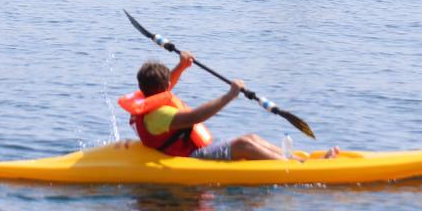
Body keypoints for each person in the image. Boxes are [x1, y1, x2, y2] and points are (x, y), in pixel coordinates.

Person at [117, 51, 339, 162]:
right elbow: (195, 117)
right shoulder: (160, 114)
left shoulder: (147, 98)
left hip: (190, 149)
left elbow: (165, 87)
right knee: (244, 144)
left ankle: (299, 161)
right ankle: (299, 169)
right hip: (193, 156)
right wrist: (230, 95)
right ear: (164, 85)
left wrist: (182, 66)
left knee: (251, 137)